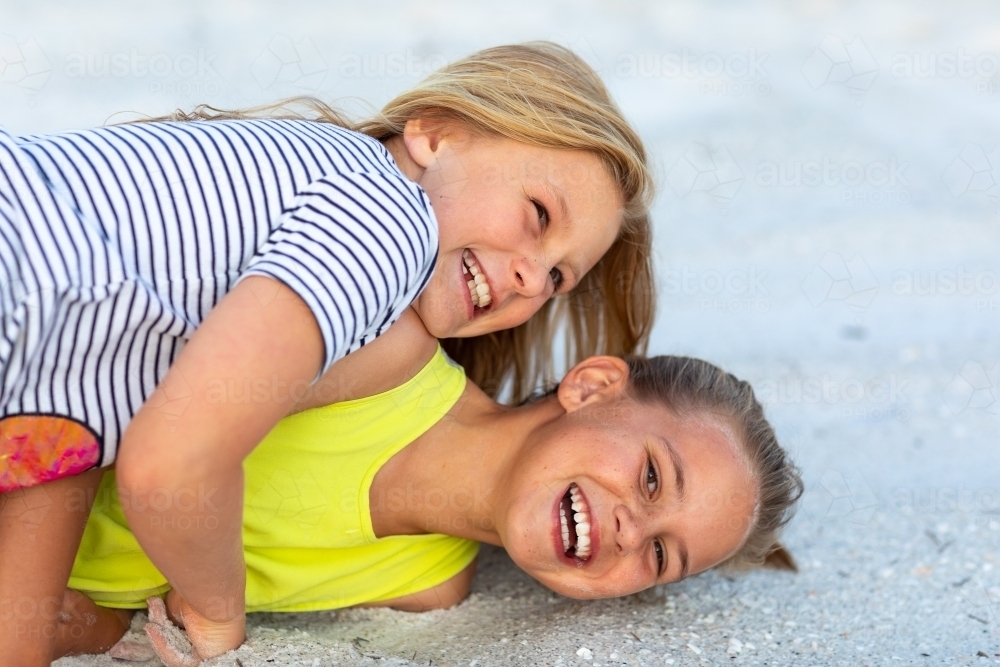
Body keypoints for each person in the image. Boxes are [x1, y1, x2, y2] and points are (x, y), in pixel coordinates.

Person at [0, 42, 655, 666]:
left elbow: (72, 396)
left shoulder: (325, 187)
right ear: (435, 134)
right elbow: (169, 465)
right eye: (539, 215)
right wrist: (217, 612)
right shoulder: (385, 227)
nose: (533, 281)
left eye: (558, 278)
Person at [51, 308, 803, 664]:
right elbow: (111, 388)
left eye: (662, 557)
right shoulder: (386, 356)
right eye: (649, 478)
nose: (631, 532)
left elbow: (127, 603)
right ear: (594, 385)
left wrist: (88, 626)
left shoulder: (427, 587)